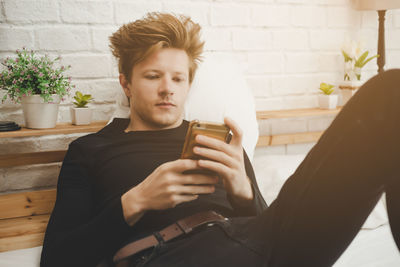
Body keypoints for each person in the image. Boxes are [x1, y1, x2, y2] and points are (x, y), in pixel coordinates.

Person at [40, 12, 400, 267]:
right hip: (172, 254)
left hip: (258, 242)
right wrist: (136, 201)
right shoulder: (90, 151)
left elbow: (267, 226)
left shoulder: (221, 142)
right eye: (153, 76)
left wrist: (243, 189)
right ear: (126, 84)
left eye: (178, 79)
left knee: (390, 93)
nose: (167, 88)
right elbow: (58, 259)